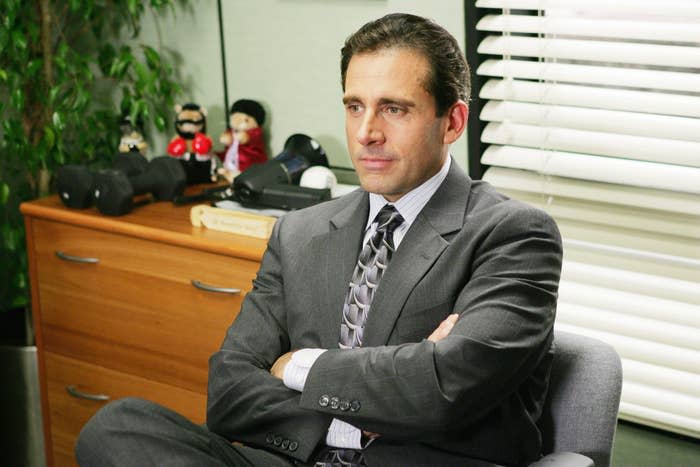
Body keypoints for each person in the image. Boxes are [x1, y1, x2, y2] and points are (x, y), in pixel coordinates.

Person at [75, 13, 562, 467]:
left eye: (393, 109)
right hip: (299, 458)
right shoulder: (300, 232)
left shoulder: (513, 235)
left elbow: (440, 388)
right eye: (355, 107)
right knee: (117, 428)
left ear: (452, 121)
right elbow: (229, 392)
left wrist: (298, 366)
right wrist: (361, 416)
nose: (367, 132)